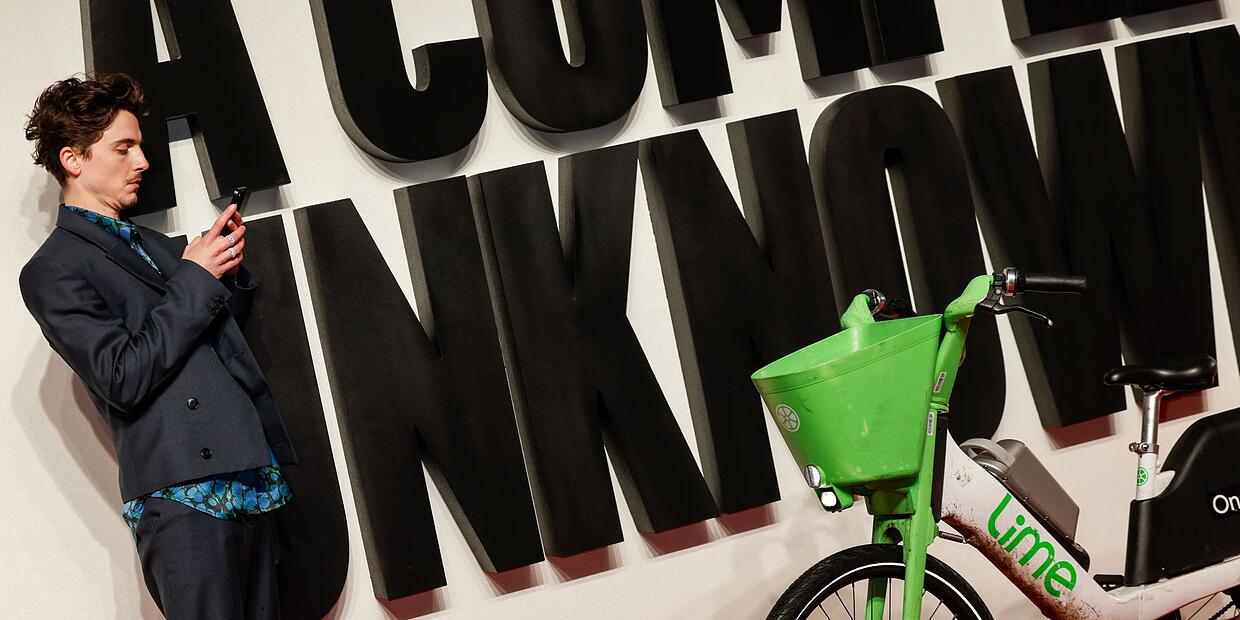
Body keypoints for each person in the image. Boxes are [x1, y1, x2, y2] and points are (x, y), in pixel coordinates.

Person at [18, 72, 298, 619]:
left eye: (140, 147)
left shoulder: (155, 245)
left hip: (249, 475)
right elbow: (122, 376)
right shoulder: (52, 269)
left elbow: (206, 351)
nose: (143, 162)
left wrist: (223, 277)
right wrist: (195, 279)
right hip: (182, 495)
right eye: (123, 148)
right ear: (73, 159)